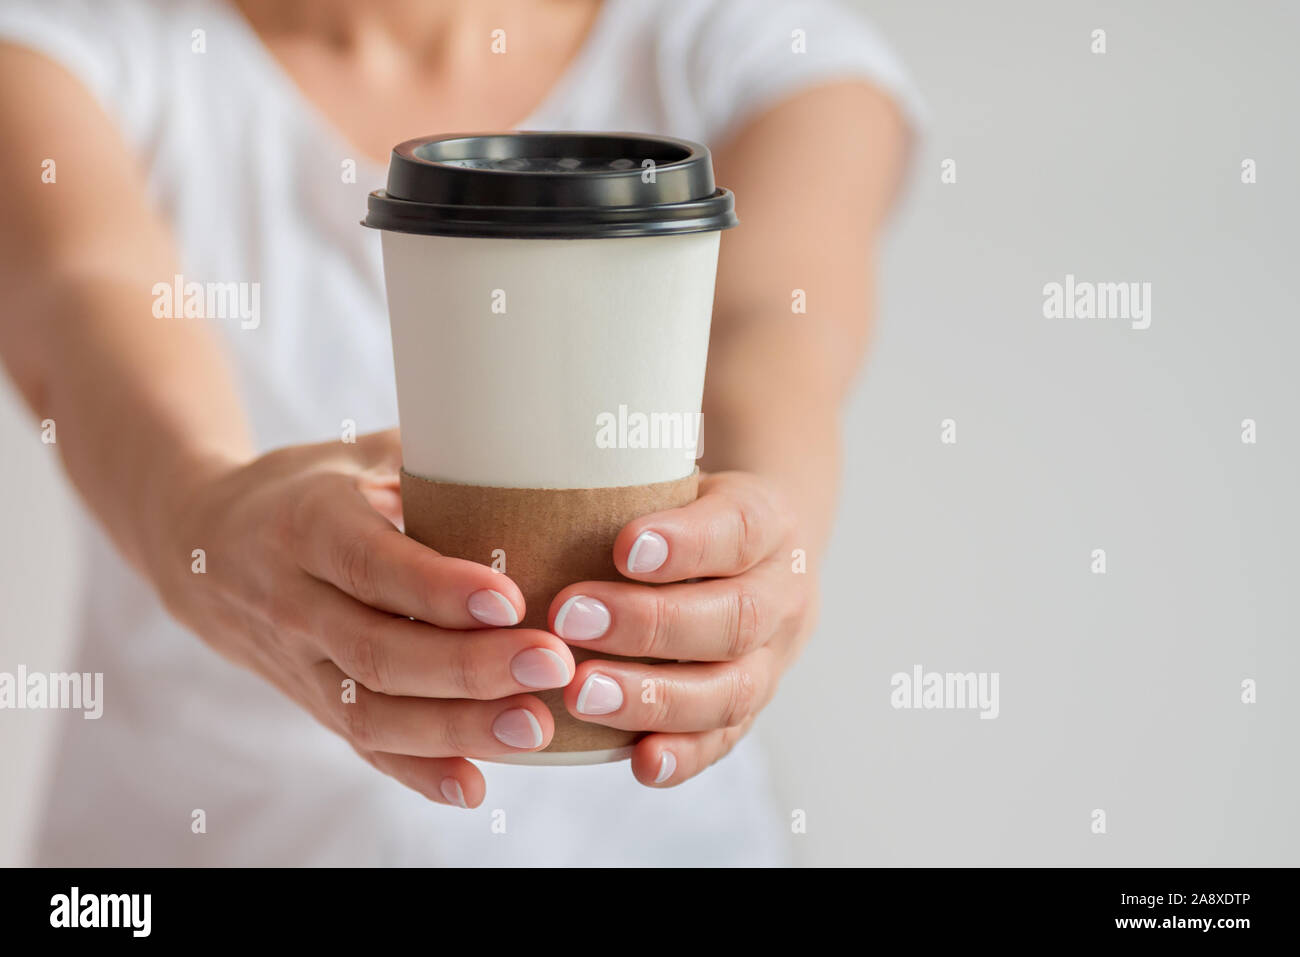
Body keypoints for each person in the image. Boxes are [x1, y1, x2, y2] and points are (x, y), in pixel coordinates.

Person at [0, 0, 917, 865]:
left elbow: (776, 330)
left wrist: (766, 544)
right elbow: (82, 316)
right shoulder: (64, 54)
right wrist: (204, 520)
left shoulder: (747, 51)